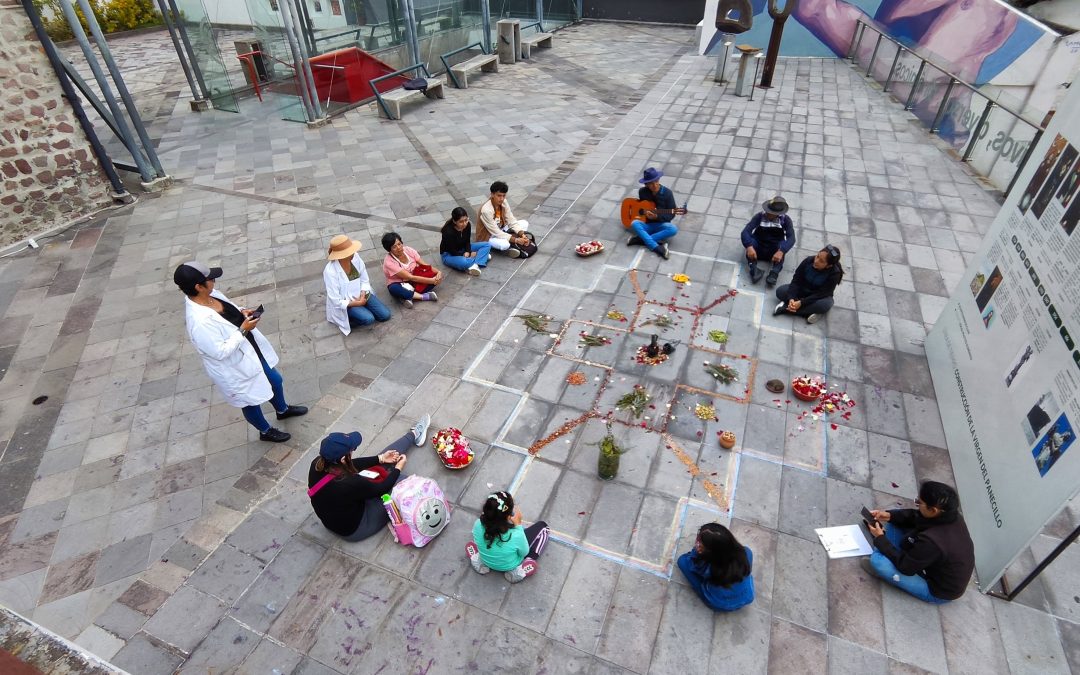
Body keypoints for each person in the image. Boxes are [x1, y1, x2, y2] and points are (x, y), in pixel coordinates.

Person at [174, 261, 306, 443]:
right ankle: (265, 431)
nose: (214, 281)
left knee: (275, 380)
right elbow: (220, 352)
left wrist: (242, 312)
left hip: (250, 349)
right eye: (210, 279)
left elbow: (229, 311)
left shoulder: (212, 295)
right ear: (198, 287)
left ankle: (282, 410)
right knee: (250, 401)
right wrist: (243, 329)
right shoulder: (200, 322)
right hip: (236, 366)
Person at [307, 415, 431, 541]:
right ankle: (411, 441)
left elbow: (353, 464)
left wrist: (381, 458)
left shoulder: (317, 463)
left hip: (335, 518)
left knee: (382, 463)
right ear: (343, 459)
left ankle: (413, 435)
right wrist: (398, 468)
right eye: (352, 449)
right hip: (356, 528)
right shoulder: (350, 483)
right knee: (400, 483)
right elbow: (383, 488)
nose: (353, 450)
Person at [863, 481, 975, 603]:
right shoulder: (951, 515)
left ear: (933, 510)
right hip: (927, 558)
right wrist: (888, 516)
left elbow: (905, 567)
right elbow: (916, 516)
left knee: (878, 562)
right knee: (896, 517)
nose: (916, 504)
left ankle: (883, 553)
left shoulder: (933, 541)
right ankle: (884, 541)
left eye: (919, 502)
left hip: (935, 589)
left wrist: (880, 539)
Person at [465, 491, 549, 583]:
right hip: (509, 565)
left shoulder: (477, 524)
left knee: (481, 541)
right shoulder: (516, 535)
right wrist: (518, 525)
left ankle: (477, 559)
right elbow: (524, 552)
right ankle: (518, 570)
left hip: (486, 560)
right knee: (543, 527)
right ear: (509, 516)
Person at [677, 523, 755, 611]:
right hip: (747, 597)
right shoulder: (746, 552)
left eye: (700, 544)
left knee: (682, 561)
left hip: (720, 604)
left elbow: (691, 561)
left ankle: (710, 595)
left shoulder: (707, 568)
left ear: (712, 554)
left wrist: (696, 553)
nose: (697, 545)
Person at [324, 234, 391, 335]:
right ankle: (351, 317)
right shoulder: (330, 272)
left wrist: (363, 294)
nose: (353, 253)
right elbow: (335, 300)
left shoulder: (356, 257)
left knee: (385, 315)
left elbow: (364, 279)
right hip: (348, 302)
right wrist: (357, 303)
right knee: (369, 319)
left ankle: (362, 310)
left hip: (362, 293)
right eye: (349, 252)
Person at [773, 245, 844, 324]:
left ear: (828, 265)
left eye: (821, 261)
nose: (816, 261)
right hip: (802, 290)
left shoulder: (834, 273)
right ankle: (807, 313)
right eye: (817, 256)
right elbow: (796, 280)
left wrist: (801, 303)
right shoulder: (808, 261)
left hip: (817, 297)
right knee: (780, 291)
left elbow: (822, 293)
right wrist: (791, 298)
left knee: (825, 305)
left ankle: (785, 309)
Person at [627, 167, 682, 260]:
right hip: (647, 224)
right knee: (634, 223)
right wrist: (644, 214)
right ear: (646, 184)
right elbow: (641, 206)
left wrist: (657, 216)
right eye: (651, 183)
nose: (655, 185)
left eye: (656, 181)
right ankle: (658, 248)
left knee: (673, 229)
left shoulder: (667, 193)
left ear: (658, 179)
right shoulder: (642, 192)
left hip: (661, 224)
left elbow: (671, 213)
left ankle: (641, 239)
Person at [741, 196, 796, 286]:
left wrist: (781, 251)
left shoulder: (785, 220)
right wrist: (749, 246)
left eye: (771, 212)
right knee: (750, 243)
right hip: (759, 245)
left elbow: (791, 238)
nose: (768, 213)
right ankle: (754, 269)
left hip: (774, 248)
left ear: (778, 213)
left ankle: (774, 273)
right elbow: (745, 232)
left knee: (782, 247)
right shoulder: (759, 216)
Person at [381, 231, 441, 308]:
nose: (398, 248)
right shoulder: (389, 262)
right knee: (394, 289)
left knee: (435, 275)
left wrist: (438, 272)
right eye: (394, 247)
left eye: (399, 244)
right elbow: (410, 277)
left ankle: (408, 296)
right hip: (400, 282)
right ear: (389, 250)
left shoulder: (408, 250)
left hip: (415, 277)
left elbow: (424, 265)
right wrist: (432, 280)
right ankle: (423, 297)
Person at [477, 180, 533, 258]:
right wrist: (516, 240)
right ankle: (512, 244)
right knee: (504, 245)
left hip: (502, 228)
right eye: (499, 195)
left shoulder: (503, 202)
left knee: (524, 223)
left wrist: (522, 234)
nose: (502, 198)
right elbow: (496, 232)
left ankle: (514, 243)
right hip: (489, 236)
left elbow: (511, 220)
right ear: (492, 194)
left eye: (504, 195)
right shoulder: (486, 210)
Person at [440, 207, 491, 276]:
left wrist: (468, 252)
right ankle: (481, 258)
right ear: (455, 221)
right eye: (461, 221)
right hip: (449, 255)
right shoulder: (448, 232)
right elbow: (452, 251)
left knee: (487, 245)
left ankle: (476, 263)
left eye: (466, 220)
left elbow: (467, 241)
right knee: (463, 262)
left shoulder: (467, 225)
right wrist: (467, 254)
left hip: (463, 248)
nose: (464, 223)